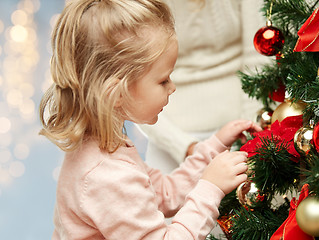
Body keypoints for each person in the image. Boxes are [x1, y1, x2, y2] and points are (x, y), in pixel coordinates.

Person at [39, 0, 261, 239]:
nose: (172, 87)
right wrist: (211, 188)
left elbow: (164, 194)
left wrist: (213, 147)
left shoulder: (107, 146)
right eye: (163, 80)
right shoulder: (107, 175)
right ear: (116, 93)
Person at [137, 0, 270, 174]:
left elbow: (260, 58)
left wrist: (250, 139)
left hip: (242, 128)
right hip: (167, 138)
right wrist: (184, 147)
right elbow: (132, 85)